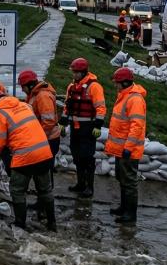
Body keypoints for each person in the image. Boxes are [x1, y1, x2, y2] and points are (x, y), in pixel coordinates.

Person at [0, 90, 55, 231]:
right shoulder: (24, 106)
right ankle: (52, 224)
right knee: (45, 190)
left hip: (25, 158)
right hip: (44, 153)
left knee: (17, 191)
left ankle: (20, 224)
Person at [104, 67, 146, 224]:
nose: (116, 85)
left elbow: (137, 126)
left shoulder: (134, 99)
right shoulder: (124, 96)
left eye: (117, 83)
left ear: (125, 83)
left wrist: (128, 148)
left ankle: (130, 215)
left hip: (129, 150)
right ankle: (123, 208)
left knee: (129, 182)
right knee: (122, 179)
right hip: (121, 149)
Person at [63, 58, 106, 198]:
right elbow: (67, 105)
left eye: (76, 72)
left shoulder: (94, 87)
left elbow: (100, 107)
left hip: (88, 127)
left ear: (83, 72)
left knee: (87, 157)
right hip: (75, 127)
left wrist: (98, 125)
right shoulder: (71, 87)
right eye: (73, 72)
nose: (74, 75)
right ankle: (80, 183)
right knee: (77, 156)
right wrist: (62, 122)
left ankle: (89, 187)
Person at [18, 69, 62, 161]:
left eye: (23, 87)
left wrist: (38, 137)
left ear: (30, 85)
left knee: (45, 170)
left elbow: (49, 121)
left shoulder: (43, 96)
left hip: (48, 139)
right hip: (43, 138)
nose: (22, 89)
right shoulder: (34, 94)